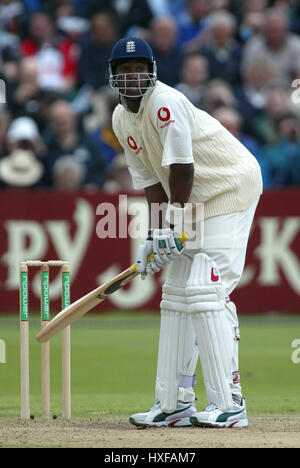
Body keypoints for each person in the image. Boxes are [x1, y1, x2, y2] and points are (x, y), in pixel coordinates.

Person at [108, 37, 262, 428]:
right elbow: (152, 184)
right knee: (177, 292)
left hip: (229, 187)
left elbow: (182, 168)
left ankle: (231, 403)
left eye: (138, 69)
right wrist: (155, 236)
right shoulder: (121, 119)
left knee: (207, 290)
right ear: (113, 77)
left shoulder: (166, 102)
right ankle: (174, 403)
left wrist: (173, 226)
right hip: (191, 198)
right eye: (124, 71)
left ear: (152, 71)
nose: (132, 77)